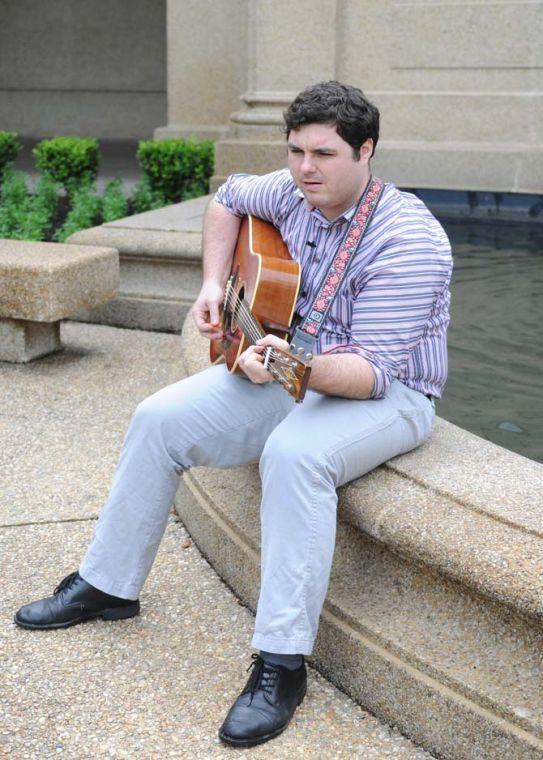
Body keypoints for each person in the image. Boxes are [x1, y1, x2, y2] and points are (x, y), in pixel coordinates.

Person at [14, 81, 452, 748]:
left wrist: (277, 363)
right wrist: (214, 287)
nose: (306, 168)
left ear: (366, 151)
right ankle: (107, 585)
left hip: (387, 396)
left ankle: (280, 662)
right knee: (159, 416)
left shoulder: (408, 240)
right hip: (289, 364)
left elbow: (369, 374)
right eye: (296, 150)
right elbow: (225, 201)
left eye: (325, 154)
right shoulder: (289, 190)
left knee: (295, 455)